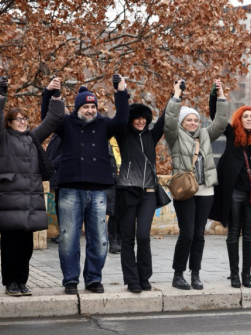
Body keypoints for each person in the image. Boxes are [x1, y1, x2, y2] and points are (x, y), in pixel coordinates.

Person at [42, 75, 130, 295]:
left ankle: (93, 278)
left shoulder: (104, 124)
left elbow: (122, 121)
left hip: (99, 189)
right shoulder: (67, 123)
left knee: (99, 238)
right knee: (68, 237)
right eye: (86, 106)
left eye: (93, 106)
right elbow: (47, 118)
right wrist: (48, 93)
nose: (90, 110)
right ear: (78, 108)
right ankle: (70, 279)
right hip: (71, 188)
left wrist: (120, 92)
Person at [0, 76, 64, 296]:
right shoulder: (2, 138)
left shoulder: (34, 138)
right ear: (9, 122)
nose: (23, 121)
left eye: (25, 118)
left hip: (30, 201)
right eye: (17, 119)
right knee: (11, 245)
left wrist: (56, 95)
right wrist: (0, 93)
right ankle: (10, 282)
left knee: (26, 246)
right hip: (10, 201)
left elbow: (54, 118)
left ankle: (22, 281)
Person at [209, 80, 251, 289]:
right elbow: (215, 116)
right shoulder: (231, 134)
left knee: (249, 234)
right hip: (234, 194)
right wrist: (216, 93)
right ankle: (234, 274)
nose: (248, 119)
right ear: (239, 119)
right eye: (245, 116)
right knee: (233, 233)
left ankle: (246, 274)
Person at [167, 80, 229, 290]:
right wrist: (176, 96)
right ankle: (178, 274)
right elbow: (169, 120)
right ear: (182, 123)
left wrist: (220, 96)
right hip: (185, 190)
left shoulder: (204, 135)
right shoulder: (175, 136)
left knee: (199, 234)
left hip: (205, 191)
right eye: (189, 120)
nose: (193, 123)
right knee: (187, 233)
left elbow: (220, 122)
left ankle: (195, 274)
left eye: (195, 120)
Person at [114, 91, 167, 293]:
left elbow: (164, 119)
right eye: (136, 118)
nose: (140, 121)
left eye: (144, 118)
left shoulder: (152, 136)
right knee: (127, 238)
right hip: (127, 191)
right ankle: (132, 280)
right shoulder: (123, 135)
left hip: (149, 194)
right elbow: (119, 117)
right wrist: (120, 93)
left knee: (143, 236)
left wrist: (175, 95)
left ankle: (144, 276)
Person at [46, 130, 63, 244]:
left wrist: (52, 164)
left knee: (62, 205)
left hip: (61, 174)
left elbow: (64, 152)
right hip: (56, 174)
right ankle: (62, 232)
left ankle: (63, 233)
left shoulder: (63, 133)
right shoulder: (56, 134)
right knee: (58, 204)